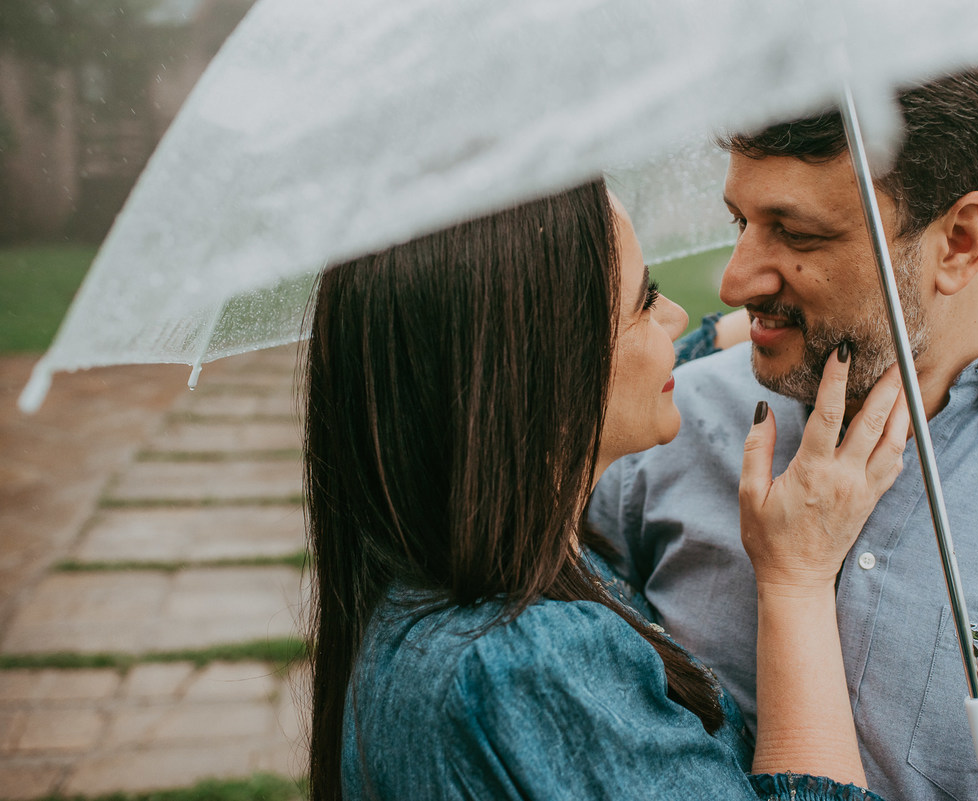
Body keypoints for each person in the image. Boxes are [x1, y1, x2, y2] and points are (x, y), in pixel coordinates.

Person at [590, 62, 978, 800]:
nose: (735, 279)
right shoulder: (660, 427)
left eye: (797, 233)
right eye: (740, 222)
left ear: (961, 242)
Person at [302, 179, 925, 800]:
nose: (675, 317)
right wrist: (797, 577)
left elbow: (646, 362)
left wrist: (787, 323)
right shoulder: (533, 670)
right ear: (547, 361)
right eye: (646, 299)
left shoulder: (431, 573)